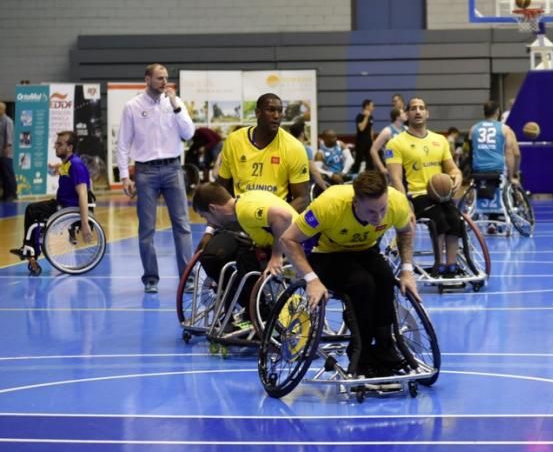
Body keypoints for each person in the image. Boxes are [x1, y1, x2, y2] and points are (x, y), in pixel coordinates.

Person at [279, 170, 419, 377]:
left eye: (382, 209)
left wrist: (407, 270)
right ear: (355, 202)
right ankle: (360, 351)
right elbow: (288, 239)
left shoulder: (397, 201)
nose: (379, 216)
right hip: (326, 254)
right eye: (371, 212)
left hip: (366, 250)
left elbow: (405, 230)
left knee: (386, 280)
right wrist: (311, 279)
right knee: (362, 284)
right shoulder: (329, 205)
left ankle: (385, 345)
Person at [116, 63, 194, 294]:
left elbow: (189, 134)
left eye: (166, 78)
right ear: (147, 79)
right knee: (146, 228)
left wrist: (176, 107)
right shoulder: (132, 106)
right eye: (159, 78)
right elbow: (122, 144)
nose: (164, 82)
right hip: (145, 172)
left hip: (173, 169)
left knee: (182, 225)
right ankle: (151, 278)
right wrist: (123, 176)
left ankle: (187, 278)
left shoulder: (175, 103)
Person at [386, 98, 464, 277]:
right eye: (413, 108)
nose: (418, 111)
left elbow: (451, 167)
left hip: (441, 194)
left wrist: (457, 175)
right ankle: (438, 264)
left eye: (422, 108)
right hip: (416, 195)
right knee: (438, 220)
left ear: (427, 113)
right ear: (407, 114)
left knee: (455, 219)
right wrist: (404, 203)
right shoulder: (396, 143)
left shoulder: (440, 140)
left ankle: (450, 265)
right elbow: (395, 178)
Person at [191, 183, 297, 311]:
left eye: (205, 216)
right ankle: (249, 307)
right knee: (245, 252)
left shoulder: (244, 211)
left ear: (213, 209)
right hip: (295, 242)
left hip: (299, 249)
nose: (207, 221)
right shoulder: (245, 199)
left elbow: (283, 216)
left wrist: (276, 256)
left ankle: (258, 310)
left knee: (245, 259)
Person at [10, 131, 93, 267]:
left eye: (60, 144)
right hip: (62, 204)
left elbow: (83, 194)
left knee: (32, 210)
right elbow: (65, 171)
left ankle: (30, 250)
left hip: (66, 208)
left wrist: (84, 223)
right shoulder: (68, 163)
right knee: (34, 211)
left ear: (70, 148)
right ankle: (31, 250)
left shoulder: (76, 165)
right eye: (56, 143)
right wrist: (56, 168)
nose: (56, 146)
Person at [217, 93, 310, 212]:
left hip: (276, 218)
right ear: (257, 113)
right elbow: (222, 187)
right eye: (271, 110)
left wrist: (279, 219)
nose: (276, 116)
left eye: (280, 111)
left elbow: (302, 198)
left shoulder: (294, 147)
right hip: (241, 215)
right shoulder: (234, 140)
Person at [287, 118, 328, 192]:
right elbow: (314, 171)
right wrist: (325, 188)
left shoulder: (287, 148)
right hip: (303, 187)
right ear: (302, 133)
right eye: (306, 130)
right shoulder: (305, 149)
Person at [369, 107, 406, 176]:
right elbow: (373, 150)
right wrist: (382, 168)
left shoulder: (406, 129)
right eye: (403, 113)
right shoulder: (387, 131)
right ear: (398, 117)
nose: (405, 114)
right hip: (392, 166)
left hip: (405, 167)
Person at [350, 99, 375, 174]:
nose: (373, 108)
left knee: (370, 160)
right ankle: (352, 175)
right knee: (358, 160)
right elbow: (361, 128)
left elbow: (371, 129)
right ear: (367, 106)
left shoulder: (371, 117)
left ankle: (370, 175)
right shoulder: (359, 116)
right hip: (361, 142)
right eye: (372, 106)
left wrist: (372, 140)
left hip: (368, 142)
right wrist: (366, 117)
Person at [0, 103, 15, 202]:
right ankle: (5, 194)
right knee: (2, 175)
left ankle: (11, 194)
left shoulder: (8, 121)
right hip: (0, 153)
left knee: (8, 174)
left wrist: (6, 150)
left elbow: (9, 138)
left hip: (6, 154)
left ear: (2, 109)